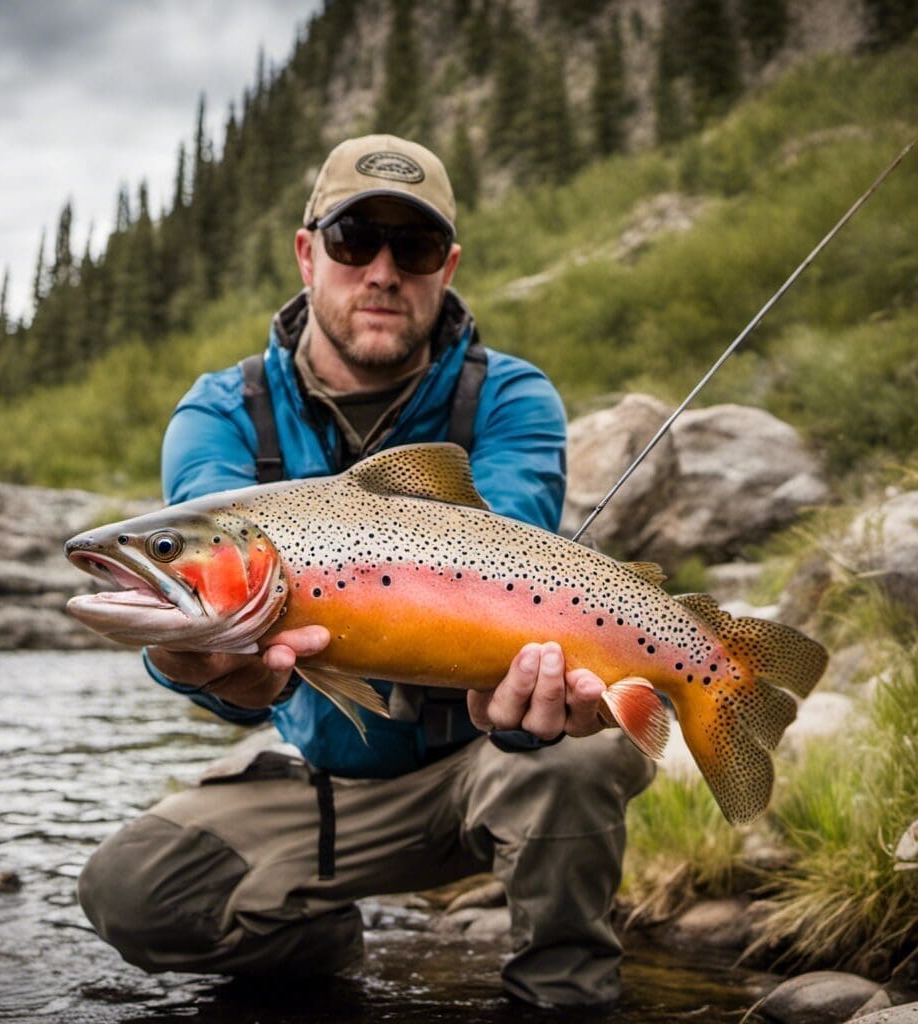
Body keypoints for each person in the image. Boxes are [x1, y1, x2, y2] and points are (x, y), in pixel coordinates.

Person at [78, 134, 654, 1012]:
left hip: (489, 767)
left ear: (448, 265)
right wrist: (195, 664)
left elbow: (515, 580)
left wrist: (541, 704)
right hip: (326, 781)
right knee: (132, 888)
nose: (382, 271)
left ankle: (562, 996)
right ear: (308, 253)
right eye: (354, 240)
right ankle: (316, 944)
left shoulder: (511, 399)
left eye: (414, 247)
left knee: (568, 754)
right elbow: (202, 612)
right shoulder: (220, 414)